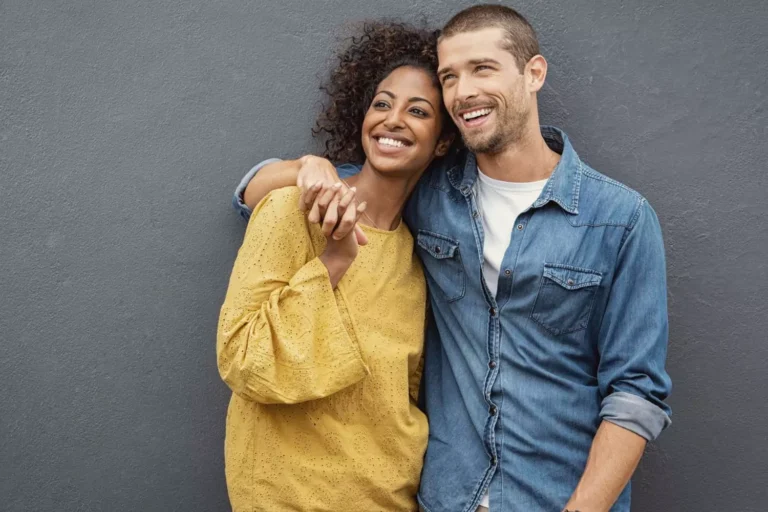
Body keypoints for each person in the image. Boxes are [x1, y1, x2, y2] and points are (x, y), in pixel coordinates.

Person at [236, 5, 672, 512]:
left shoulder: (620, 219)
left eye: (482, 69)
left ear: (534, 73)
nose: (463, 91)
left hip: (553, 498)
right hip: (446, 496)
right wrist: (304, 166)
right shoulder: (429, 193)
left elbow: (636, 393)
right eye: (449, 77)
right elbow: (258, 191)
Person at [217, 22, 455, 512]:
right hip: (284, 497)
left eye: (418, 111)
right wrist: (334, 260)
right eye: (382, 104)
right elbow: (243, 357)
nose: (393, 120)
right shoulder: (292, 210)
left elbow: (401, 397)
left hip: (388, 498)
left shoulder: (418, 259)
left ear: (444, 142)